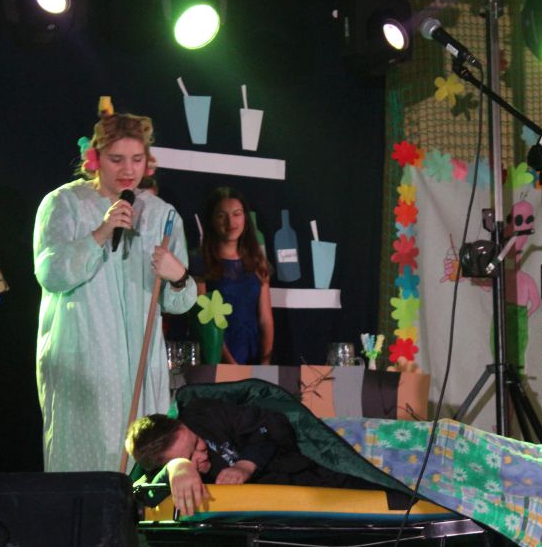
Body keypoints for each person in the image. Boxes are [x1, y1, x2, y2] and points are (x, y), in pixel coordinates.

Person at [34, 111, 197, 472]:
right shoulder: (64, 203)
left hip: (141, 360)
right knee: (86, 461)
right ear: (95, 158)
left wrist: (179, 277)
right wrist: (100, 233)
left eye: (136, 159)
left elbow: (179, 302)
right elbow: (50, 273)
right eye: (116, 159)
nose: (128, 169)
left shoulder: (162, 214)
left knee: (142, 458)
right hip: (86, 362)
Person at [125, 399, 374, 516]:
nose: (201, 453)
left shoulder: (203, 414)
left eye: (196, 442)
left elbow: (270, 425)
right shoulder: (164, 472)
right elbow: (142, 495)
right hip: (262, 522)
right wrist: (178, 469)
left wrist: (246, 464)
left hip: (301, 480)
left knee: (371, 496)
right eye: (189, 457)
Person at [196, 187, 273, 364]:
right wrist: (231, 365)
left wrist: (266, 360)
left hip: (253, 356)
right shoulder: (200, 263)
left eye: (237, 214)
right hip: (216, 358)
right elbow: (207, 323)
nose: (231, 222)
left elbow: (266, 320)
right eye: (221, 216)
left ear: (245, 217)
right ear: (212, 220)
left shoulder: (258, 262)